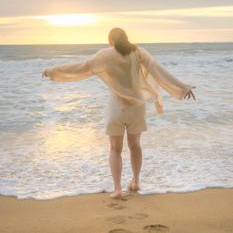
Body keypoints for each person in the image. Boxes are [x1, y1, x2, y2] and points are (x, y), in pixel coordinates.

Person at [42, 27, 196, 199]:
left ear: (111, 41)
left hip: (116, 107)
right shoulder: (137, 52)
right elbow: (158, 71)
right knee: (135, 145)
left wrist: (53, 71)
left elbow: (82, 67)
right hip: (137, 107)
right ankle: (136, 181)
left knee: (115, 148)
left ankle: (117, 189)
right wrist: (182, 88)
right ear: (126, 38)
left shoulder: (104, 54)